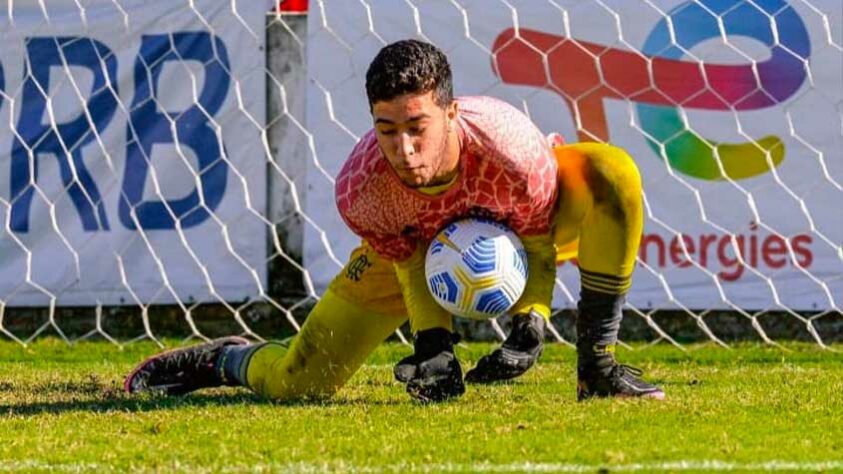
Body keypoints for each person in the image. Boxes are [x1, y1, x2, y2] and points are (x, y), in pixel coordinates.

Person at [124, 39, 663, 403]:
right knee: (301, 383)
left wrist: (531, 323)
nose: (403, 150)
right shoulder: (362, 188)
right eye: (386, 130)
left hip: (528, 229)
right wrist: (434, 344)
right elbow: (410, 264)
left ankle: (598, 367)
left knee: (611, 172)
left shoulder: (511, 150)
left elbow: (538, 245)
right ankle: (226, 359)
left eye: (417, 127)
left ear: (452, 114)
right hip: (419, 250)